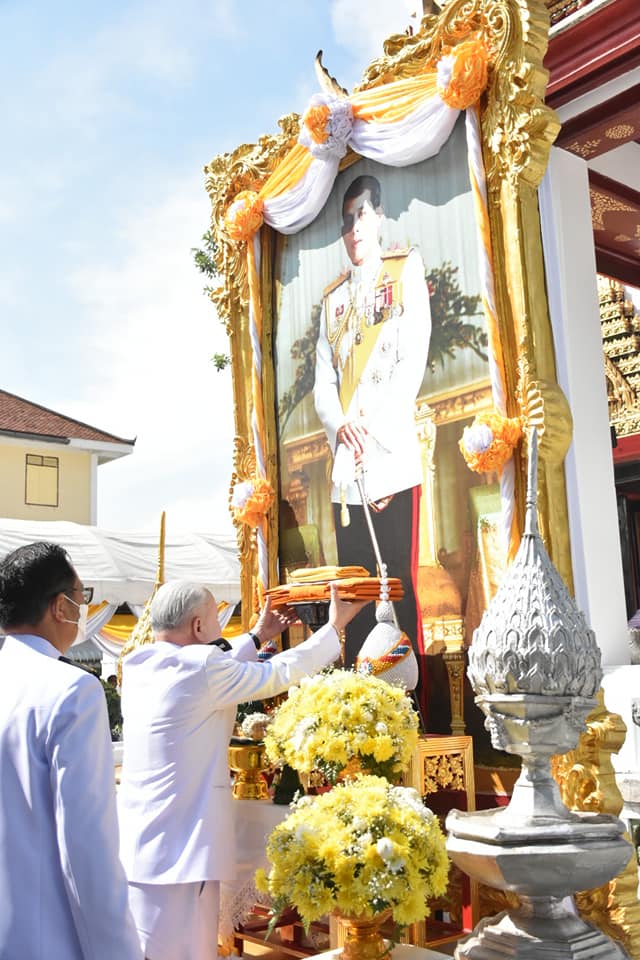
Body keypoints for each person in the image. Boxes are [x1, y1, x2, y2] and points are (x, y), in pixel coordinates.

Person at [117, 579, 368, 960]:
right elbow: (276, 673)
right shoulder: (201, 667)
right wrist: (333, 628)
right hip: (183, 854)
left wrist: (257, 635)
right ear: (198, 626)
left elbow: (209, 667)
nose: (219, 627)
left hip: (143, 847)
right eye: (215, 618)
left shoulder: (139, 664)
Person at [313, 173, 431, 714]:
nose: (353, 229)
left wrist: (370, 434)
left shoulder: (404, 271)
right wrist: (341, 426)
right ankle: (360, 710)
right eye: (346, 221)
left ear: (379, 217)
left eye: (361, 215)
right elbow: (323, 382)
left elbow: (411, 361)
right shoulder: (333, 301)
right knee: (356, 591)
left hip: (388, 459)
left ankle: (409, 710)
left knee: (395, 584)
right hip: (347, 471)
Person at [0, 541, 142, 960]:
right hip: (48, 935)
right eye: (82, 597)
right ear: (60, 606)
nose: (83, 609)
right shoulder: (71, 690)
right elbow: (86, 847)